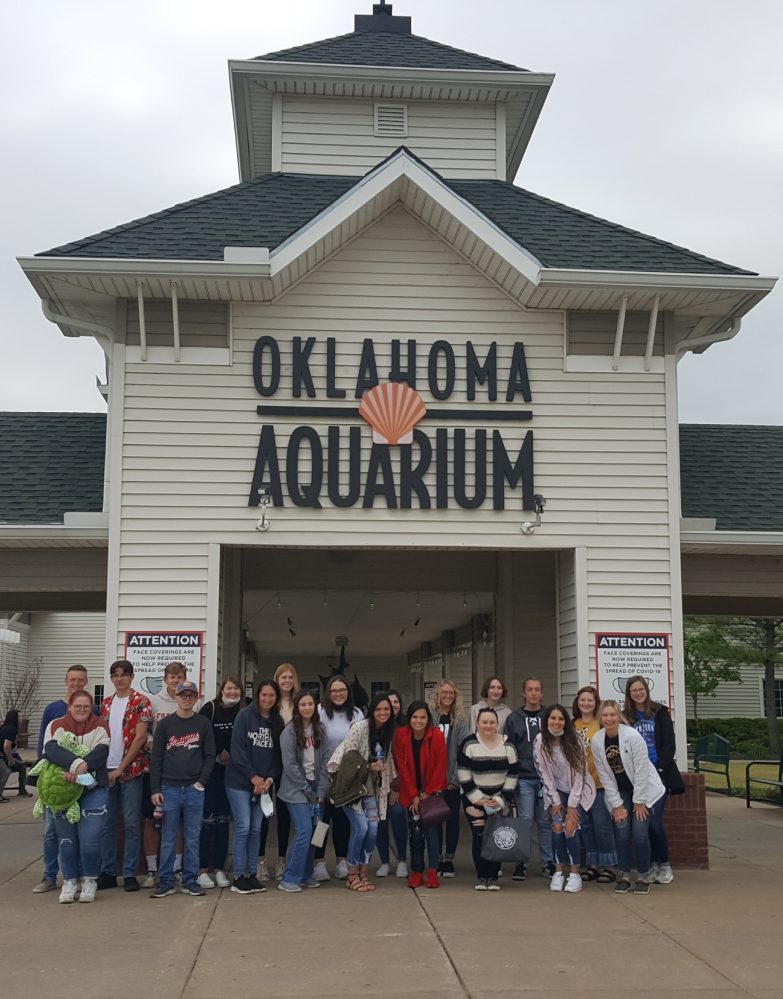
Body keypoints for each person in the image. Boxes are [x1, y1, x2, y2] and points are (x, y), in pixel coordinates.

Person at [591, 699, 666, 895]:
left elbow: (641, 771)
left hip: (643, 790)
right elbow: (605, 776)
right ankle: (624, 875)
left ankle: (642, 875)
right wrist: (616, 805)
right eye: (605, 715)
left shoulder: (633, 736)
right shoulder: (597, 741)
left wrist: (639, 801)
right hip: (621, 791)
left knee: (640, 833)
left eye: (612, 715)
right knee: (622, 831)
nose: (609, 719)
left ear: (619, 716)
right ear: (601, 717)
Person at [41, 690, 110, 904]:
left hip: (94, 788)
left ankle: (89, 880)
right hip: (63, 789)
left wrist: (81, 768)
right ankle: (70, 881)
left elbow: (100, 753)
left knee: (90, 840)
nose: (81, 710)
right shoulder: (56, 725)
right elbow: (51, 750)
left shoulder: (101, 726)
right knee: (67, 840)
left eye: (86, 707)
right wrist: (74, 765)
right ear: (69, 706)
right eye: (77, 706)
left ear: (92, 708)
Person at [149, 679, 216, 898]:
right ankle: (166, 881)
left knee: (192, 837)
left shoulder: (203, 723)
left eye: (190, 695)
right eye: (182, 695)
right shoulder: (166, 725)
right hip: (169, 788)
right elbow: (156, 757)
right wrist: (155, 789)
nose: (186, 699)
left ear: (196, 698)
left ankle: (190, 880)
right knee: (168, 837)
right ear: (175, 697)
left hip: (193, 789)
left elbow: (209, 755)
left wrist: (201, 782)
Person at [326, 693, 396, 892]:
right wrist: (368, 767)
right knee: (361, 828)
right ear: (372, 711)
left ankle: (363, 873)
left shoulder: (388, 732)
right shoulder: (360, 728)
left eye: (386, 709)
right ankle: (351, 875)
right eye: (378, 709)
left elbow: (387, 762)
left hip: (371, 789)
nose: (383, 713)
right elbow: (346, 760)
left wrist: (389, 785)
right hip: (351, 788)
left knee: (373, 829)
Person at [33, 664, 91, 894]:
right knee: (50, 831)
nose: (76, 684)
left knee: (75, 830)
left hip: (77, 781)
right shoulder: (53, 709)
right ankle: (49, 876)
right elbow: (43, 745)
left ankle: (75, 874)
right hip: (53, 780)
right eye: (72, 680)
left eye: (80, 680)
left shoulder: (89, 710)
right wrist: (39, 777)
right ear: (66, 680)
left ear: (86, 682)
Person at [98, 659, 153, 893]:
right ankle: (108, 872)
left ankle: (130, 873)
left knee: (131, 823)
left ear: (132, 677)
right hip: (105, 770)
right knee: (106, 824)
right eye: (115, 675)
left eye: (123, 674)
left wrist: (121, 768)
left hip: (131, 771)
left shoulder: (141, 702)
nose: (119, 678)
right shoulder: (106, 703)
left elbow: (140, 737)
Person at [225, 679, 283, 895]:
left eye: (272, 696)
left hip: (264, 786)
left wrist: (269, 779)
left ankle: (251, 875)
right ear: (258, 695)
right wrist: (253, 777)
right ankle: (238, 876)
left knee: (256, 830)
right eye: (264, 695)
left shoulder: (277, 722)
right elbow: (237, 750)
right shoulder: (244, 716)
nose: (267, 699)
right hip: (240, 782)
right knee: (243, 827)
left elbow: (278, 756)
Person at [625, 675, 682, 885]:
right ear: (629, 694)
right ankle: (650, 864)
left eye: (641, 689)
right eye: (634, 690)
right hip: (637, 777)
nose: (638, 693)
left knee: (655, 823)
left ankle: (664, 864)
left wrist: (659, 767)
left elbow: (669, 744)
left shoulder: (660, 712)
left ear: (646, 690)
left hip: (658, 775)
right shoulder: (626, 717)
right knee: (644, 825)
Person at [533, 704, 596, 894]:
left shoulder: (574, 739)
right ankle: (558, 872)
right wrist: (555, 801)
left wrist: (572, 805)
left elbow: (581, 774)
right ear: (547, 721)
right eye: (553, 718)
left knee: (571, 829)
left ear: (565, 722)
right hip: (555, 792)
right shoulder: (540, 740)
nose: (556, 722)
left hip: (578, 791)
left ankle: (575, 874)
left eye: (560, 719)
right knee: (557, 828)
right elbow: (543, 772)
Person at [457, 706, 519, 891]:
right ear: (477, 723)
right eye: (484, 722)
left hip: (500, 798)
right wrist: (478, 799)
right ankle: (482, 875)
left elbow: (513, 775)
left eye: (492, 722)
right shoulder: (468, 744)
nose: (488, 725)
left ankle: (493, 876)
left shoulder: (508, 745)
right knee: (479, 836)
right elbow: (463, 774)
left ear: (497, 724)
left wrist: (500, 800)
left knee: (496, 836)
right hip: (473, 798)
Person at [143, 660, 193, 888]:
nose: (176, 681)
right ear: (165, 679)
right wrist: (153, 742)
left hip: (182, 773)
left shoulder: (191, 701)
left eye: (180, 677)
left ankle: (177, 868)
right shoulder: (152, 701)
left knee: (179, 822)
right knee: (152, 821)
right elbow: (144, 732)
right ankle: (153, 870)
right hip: (156, 770)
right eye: (172, 677)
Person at [197, 675, 247, 889]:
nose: (232, 692)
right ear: (221, 690)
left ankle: (219, 868)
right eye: (229, 688)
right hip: (210, 773)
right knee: (207, 821)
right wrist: (218, 753)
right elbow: (201, 736)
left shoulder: (244, 711)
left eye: (236, 689)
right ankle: (202, 870)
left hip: (234, 775)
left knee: (223, 822)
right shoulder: (210, 709)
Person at [277, 689, 330, 892]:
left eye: (310, 704)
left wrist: (322, 790)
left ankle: (306, 874)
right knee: (304, 831)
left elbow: (325, 760)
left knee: (317, 831)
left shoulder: (320, 729)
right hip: (296, 789)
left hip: (318, 787)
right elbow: (289, 765)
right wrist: (308, 790)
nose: (307, 708)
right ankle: (289, 877)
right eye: (303, 704)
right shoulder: (289, 732)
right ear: (297, 708)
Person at [503, 676, 554, 880]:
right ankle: (521, 863)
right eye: (530, 690)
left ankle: (548, 862)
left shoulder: (550, 715)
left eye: (537, 689)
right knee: (524, 820)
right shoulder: (514, 718)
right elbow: (509, 747)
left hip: (545, 778)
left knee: (544, 821)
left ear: (542, 693)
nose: (533, 693)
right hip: (524, 777)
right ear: (524, 693)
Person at [312, 675, 363, 882]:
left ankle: (342, 861)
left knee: (342, 821)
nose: (338, 694)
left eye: (342, 690)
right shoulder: (320, 711)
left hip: (346, 777)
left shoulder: (357, 714)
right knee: (321, 821)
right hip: (322, 775)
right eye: (334, 690)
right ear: (328, 693)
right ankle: (318, 862)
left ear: (348, 692)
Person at [393, 701, 447, 889]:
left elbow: (441, 766)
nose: (418, 721)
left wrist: (427, 793)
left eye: (422, 717)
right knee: (415, 833)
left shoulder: (437, 736)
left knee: (432, 832)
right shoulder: (402, 735)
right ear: (409, 719)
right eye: (415, 717)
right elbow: (403, 767)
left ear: (428, 719)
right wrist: (415, 795)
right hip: (411, 792)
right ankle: (417, 871)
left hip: (431, 792)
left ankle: (433, 871)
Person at [257, 662, 299, 881]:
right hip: (267, 765)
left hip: (290, 768)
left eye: (290, 677)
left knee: (284, 815)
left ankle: (282, 860)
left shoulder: (299, 704)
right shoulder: (269, 704)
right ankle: (261, 861)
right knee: (265, 813)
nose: (287, 681)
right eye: (282, 677)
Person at [572, 686, 618, 883]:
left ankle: (609, 865)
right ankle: (593, 865)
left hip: (599, 784)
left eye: (590, 700)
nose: (586, 703)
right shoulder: (572, 725)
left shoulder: (601, 724)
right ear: (577, 702)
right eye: (582, 700)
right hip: (579, 785)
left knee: (602, 825)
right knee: (587, 826)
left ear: (595, 702)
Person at [430, 679, 469, 877]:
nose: (447, 696)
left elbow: (463, 751)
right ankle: (436, 857)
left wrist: (455, 779)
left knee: (452, 820)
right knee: (435, 819)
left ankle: (449, 859)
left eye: (451, 693)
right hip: (433, 780)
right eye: (444, 692)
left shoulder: (460, 719)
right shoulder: (430, 717)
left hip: (453, 779)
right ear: (438, 695)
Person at [376, 688, 408, 878]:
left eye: (396, 702)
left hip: (399, 785)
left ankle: (402, 859)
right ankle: (384, 862)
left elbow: (406, 761)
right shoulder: (376, 728)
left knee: (397, 816)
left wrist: (396, 786)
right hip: (378, 785)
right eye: (389, 703)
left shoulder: (405, 729)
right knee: (380, 821)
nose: (392, 706)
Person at [0, 708, 31, 800]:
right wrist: (11, 759)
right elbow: (6, 746)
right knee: (6, 771)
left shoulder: (4, 727)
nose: (20, 719)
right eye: (18, 717)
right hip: (2, 757)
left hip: (3, 756)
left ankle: (22, 790)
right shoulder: (11, 729)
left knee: (22, 766)